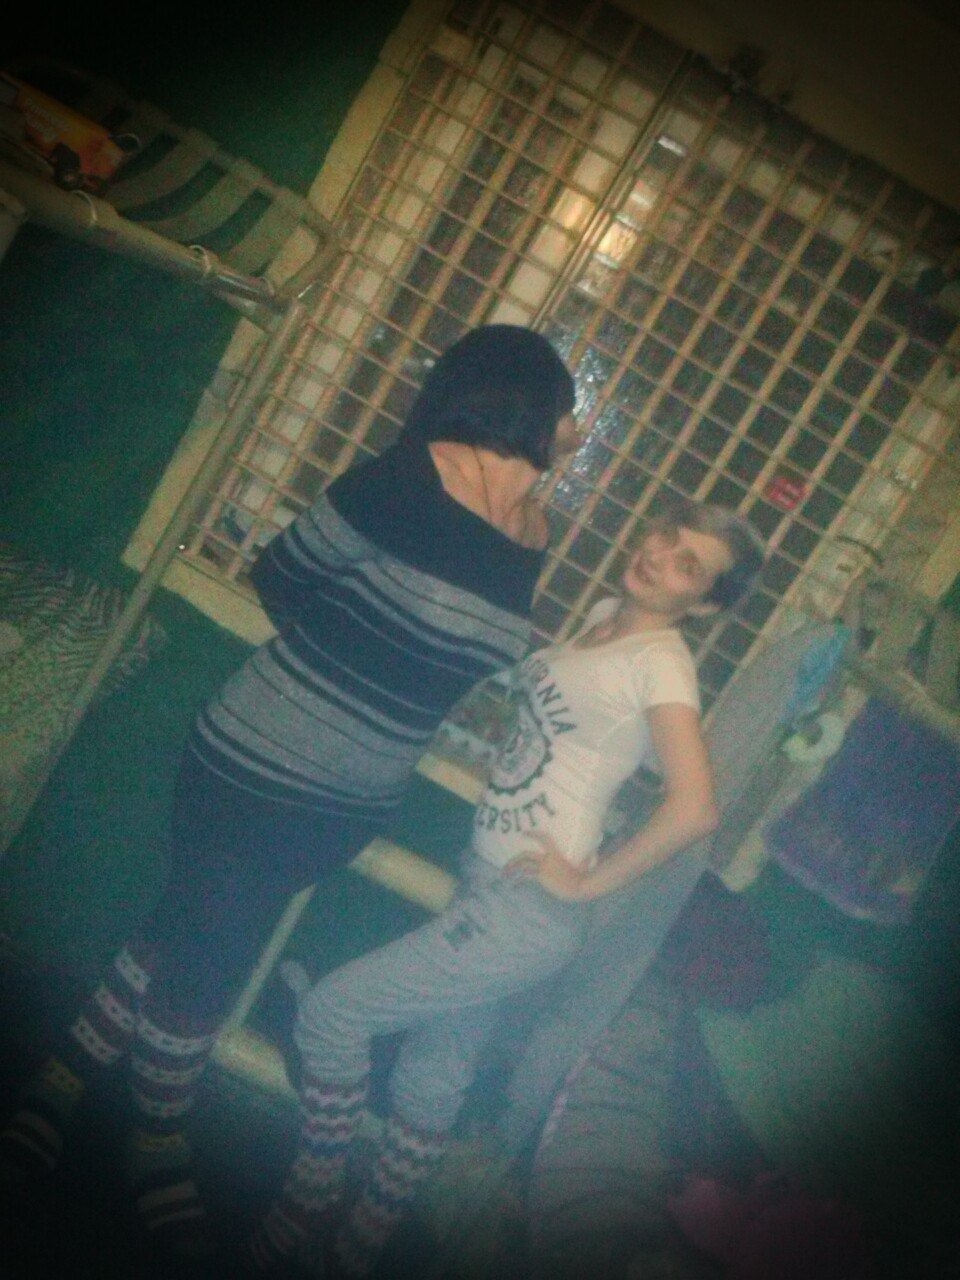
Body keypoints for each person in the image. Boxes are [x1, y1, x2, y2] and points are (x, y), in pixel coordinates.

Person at [0, 325, 577, 1255]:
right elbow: (281, 574)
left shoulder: (535, 535)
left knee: (184, 924)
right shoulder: (407, 476)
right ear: (528, 403)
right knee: (211, 960)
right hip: (253, 762)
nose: (576, 429)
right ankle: (155, 1136)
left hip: (347, 807)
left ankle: (60, 1082)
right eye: (569, 408)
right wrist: (337, 661)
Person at [242, 497, 766, 1277]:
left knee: (330, 1015)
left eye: (688, 565)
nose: (659, 556)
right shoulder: (604, 619)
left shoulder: (662, 663)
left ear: (706, 604)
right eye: (665, 535)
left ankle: (308, 1200)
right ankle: (359, 1248)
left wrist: (585, 884)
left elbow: (696, 807)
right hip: (487, 876)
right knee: (435, 1073)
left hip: (528, 912)